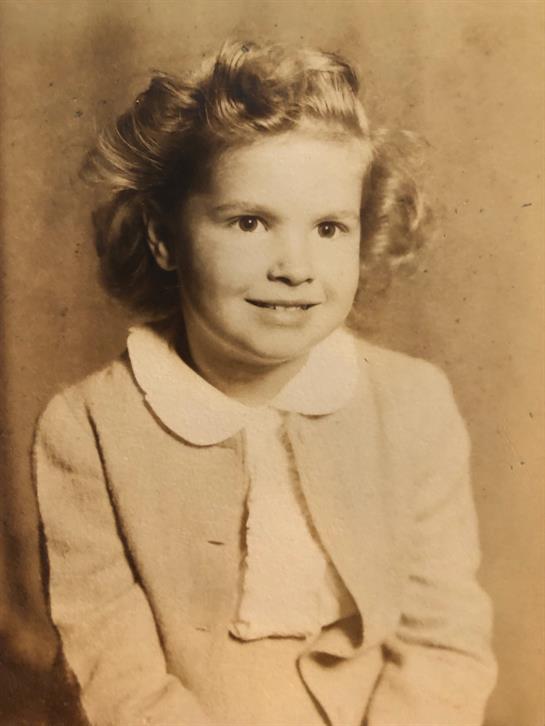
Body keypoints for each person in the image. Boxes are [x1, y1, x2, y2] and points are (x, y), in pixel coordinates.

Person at [34, 40, 497, 726]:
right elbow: (115, 675)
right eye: (250, 222)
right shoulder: (86, 427)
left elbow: (443, 643)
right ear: (164, 239)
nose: (295, 266)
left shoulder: (412, 403)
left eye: (329, 228)